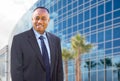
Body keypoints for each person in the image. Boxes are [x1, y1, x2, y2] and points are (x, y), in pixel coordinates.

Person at [11, 7, 63, 81]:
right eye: (37, 18)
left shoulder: (56, 41)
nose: (40, 21)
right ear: (32, 19)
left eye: (44, 18)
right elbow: (16, 71)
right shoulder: (19, 40)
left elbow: (59, 69)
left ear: (48, 21)